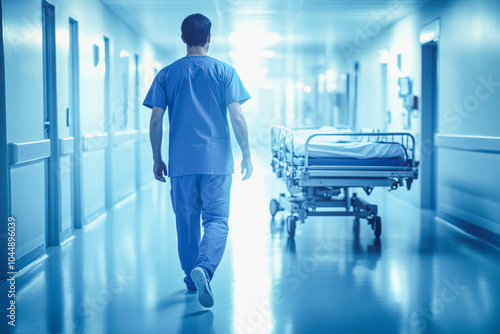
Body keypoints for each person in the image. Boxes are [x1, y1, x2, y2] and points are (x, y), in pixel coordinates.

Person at [143, 13, 252, 308]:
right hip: (217, 162)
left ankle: (192, 281)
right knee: (216, 220)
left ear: (182, 38)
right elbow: (237, 116)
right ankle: (204, 268)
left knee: (187, 222)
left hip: (181, 163)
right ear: (209, 38)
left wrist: (157, 157)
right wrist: (247, 153)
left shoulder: (166, 74)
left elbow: (156, 120)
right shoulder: (225, 71)